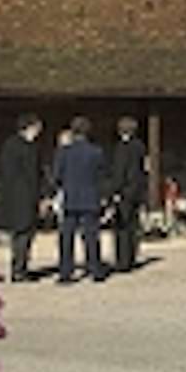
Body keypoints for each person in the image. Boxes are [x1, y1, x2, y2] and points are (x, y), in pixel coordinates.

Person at [53, 116, 108, 284]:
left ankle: (66, 272)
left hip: (70, 198)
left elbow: (57, 176)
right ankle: (95, 269)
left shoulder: (64, 152)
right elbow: (101, 177)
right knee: (91, 236)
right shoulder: (96, 152)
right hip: (90, 197)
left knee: (66, 237)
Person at [0, 113, 43, 283]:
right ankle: (19, 269)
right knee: (24, 233)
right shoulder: (28, 147)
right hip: (25, 194)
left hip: (11, 194)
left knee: (18, 233)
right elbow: (33, 174)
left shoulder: (9, 145)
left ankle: (18, 267)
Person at [107, 116, 147, 272]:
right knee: (133, 226)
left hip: (124, 191)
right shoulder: (140, 147)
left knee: (121, 227)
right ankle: (132, 257)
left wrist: (114, 190)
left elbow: (119, 171)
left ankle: (123, 261)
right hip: (136, 190)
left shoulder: (121, 148)